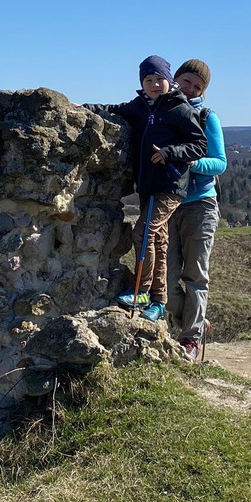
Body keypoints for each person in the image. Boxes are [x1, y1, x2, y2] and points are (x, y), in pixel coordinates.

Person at [84, 55, 206, 322]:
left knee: (144, 232)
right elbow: (113, 109)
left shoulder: (180, 109)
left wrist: (169, 152)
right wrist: (81, 108)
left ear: (169, 81)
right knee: (159, 242)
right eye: (148, 80)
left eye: (159, 79)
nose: (154, 84)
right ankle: (159, 301)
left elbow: (199, 145)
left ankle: (141, 290)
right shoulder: (139, 106)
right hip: (148, 185)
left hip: (171, 184)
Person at [165, 59, 226, 362]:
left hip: (200, 204)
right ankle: (195, 323)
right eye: (186, 81)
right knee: (165, 277)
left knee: (195, 275)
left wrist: (191, 162)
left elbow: (220, 162)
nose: (190, 89)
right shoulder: (161, 112)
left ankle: (190, 338)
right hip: (167, 204)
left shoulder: (205, 117)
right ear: (175, 78)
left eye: (197, 86)